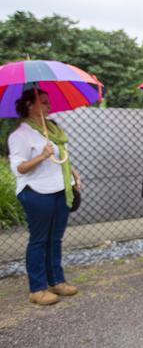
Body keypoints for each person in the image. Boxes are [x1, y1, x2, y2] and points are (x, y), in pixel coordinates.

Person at [8, 88, 82, 305]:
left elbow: (63, 157)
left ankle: (56, 281)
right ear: (30, 105)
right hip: (36, 192)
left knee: (55, 238)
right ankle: (37, 288)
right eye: (43, 102)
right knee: (39, 240)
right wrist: (42, 155)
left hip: (60, 189)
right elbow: (19, 168)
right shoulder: (19, 135)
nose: (49, 106)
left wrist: (75, 175)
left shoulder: (52, 129)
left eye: (48, 102)